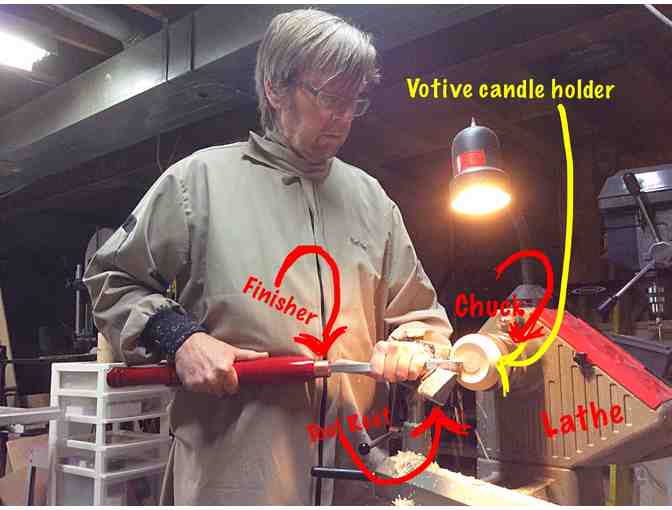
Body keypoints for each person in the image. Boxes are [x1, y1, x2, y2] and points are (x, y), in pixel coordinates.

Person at [84, 8, 453, 506]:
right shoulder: (200, 183)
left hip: (353, 478)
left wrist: (413, 346)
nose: (344, 117)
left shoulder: (372, 202)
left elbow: (421, 317)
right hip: (235, 480)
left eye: (355, 102)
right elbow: (111, 279)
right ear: (276, 89)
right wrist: (180, 338)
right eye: (330, 98)